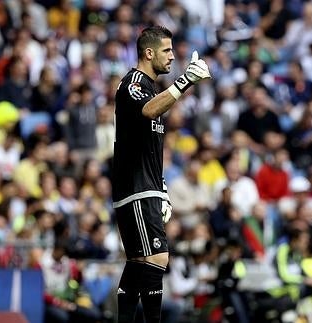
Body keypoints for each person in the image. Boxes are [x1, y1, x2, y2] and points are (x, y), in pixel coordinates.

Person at [111, 25, 211, 323]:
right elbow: (148, 111)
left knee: (140, 261)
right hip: (135, 187)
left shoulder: (151, 88)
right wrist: (186, 80)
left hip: (148, 186)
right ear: (149, 52)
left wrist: (162, 187)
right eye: (167, 50)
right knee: (157, 258)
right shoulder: (132, 83)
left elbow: (149, 147)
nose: (172, 56)